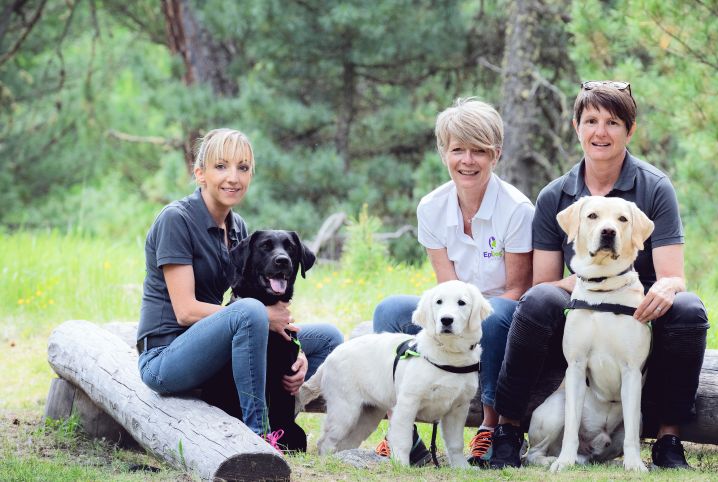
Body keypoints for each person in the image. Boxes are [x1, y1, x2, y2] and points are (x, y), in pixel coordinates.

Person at [488, 81, 709, 470]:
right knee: (537, 301)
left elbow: (674, 276)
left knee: (689, 309)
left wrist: (664, 287)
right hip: (579, 306)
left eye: (612, 122)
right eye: (591, 121)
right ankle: (507, 431)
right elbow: (544, 283)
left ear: (630, 130)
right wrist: (591, 283)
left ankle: (668, 440)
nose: (600, 132)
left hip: (636, 308)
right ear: (576, 127)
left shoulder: (655, 187)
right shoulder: (556, 195)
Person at [136, 128, 343, 451]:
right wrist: (261, 316)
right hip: (167, 357)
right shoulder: (176, 220)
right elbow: (186, 310)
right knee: (249, 311)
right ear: (199, 173)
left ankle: (281, 419)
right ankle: (258, 437)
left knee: (327, 338)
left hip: (214, 349)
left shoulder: (237, 227)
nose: (233, 177)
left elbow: (248, 302)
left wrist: (295, 350)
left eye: (243, 168)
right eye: (221, 167)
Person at [372, 98, 535, 467]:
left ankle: (489, 429)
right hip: (454, 308)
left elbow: (517, 288)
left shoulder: (517, 209)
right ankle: (404, 432)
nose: (467, 160)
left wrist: (470, 321)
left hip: (499, 311)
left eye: (479, 151)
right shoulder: (431, 207)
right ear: (443, 152)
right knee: (390, 310)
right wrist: (453, 322)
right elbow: (444, 287)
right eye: (457, 149)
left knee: (494, 315)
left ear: (496, 154)